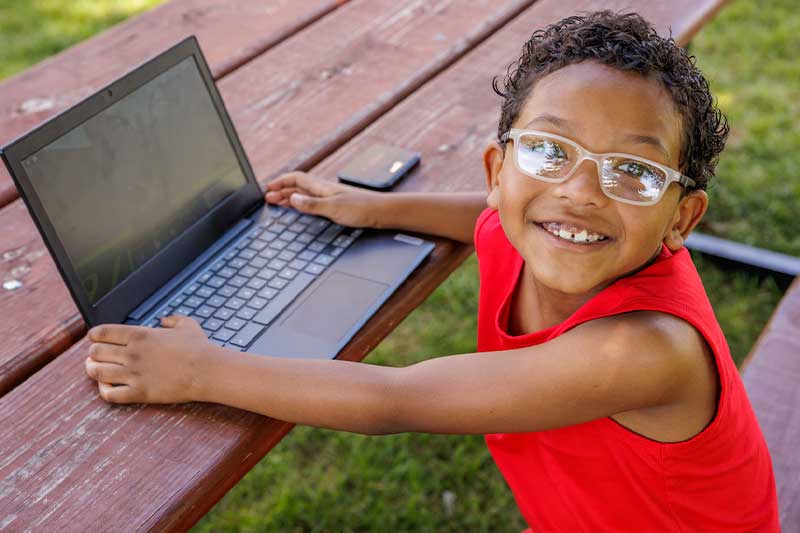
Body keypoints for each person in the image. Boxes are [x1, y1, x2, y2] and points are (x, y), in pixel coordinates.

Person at [84, 11, 779, 532]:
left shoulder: (641, 349)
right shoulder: (547, 232)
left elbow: (394, 400)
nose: (580, 192)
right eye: (548, 151)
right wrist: (377, 208)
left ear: (683, 218)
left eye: (633, 170)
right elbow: (482, 218)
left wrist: (200, 370)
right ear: (497, 172)